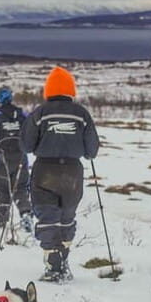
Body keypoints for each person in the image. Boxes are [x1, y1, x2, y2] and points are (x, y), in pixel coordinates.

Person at [21, 67, 100, 283]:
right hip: (73, 174)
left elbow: (26, 145)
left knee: (47, 217)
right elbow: (92, 150)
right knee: (67, 218)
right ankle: (63, 259)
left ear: (48, 90)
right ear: (70, 90)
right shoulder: (82, 114)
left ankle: (53, 265)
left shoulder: (40, 113)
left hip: (45, 171)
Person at [0, 87, 33, 234]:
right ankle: (25, 213)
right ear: (11, 98)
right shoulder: (22, 115)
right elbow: (30, 134)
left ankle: (2, 219)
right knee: (21, 188)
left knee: (3, 189)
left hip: (2, 160)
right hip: (21, 159)